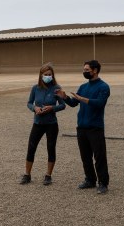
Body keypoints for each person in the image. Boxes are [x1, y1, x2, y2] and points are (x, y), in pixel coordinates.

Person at [55, 60, 111, 194]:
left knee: (99, 156)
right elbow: (74, 103)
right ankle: (90, 180)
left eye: (87, 70)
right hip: (81, 127)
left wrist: (83, 99)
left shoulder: (104, 87)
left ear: (95, 70)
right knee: (85, 156)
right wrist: (65, 97)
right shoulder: (83, 87)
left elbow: (100, 103)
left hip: (95, 127)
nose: (84, 72)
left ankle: (103, 183)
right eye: (84, 70)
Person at [20, 64, 65, 186]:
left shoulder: (56, 88)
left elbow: (63, 105)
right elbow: (29, 103)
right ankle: (27, 175)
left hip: (51, 124)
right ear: (41, 75)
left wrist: (52, 108)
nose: (48, 76)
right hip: (38, 123)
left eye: (50, 74)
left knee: (51, 148)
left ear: (53, 75)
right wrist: (34, 108)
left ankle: (48, 176)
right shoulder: (35, 88)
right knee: (31, 148)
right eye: (45, 74)